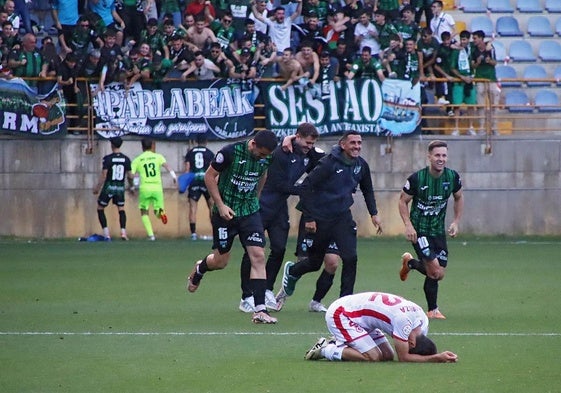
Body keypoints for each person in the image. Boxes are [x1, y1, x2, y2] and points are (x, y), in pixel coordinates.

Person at [276, 131, 383, 309]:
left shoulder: (361, 165)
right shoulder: (328, 163)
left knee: (350, 258)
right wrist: (309, 218)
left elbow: (368, 189)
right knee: (314, 263)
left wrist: (374, 213)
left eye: (359, 143)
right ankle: (292, 272)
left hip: (342, 218)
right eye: (353, 143)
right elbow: (306, 187)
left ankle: (345, 304)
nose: (357, 146)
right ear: (343, 145)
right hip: (319, 218)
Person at [186, 130, 279, 324]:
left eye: (266, 156)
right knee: (220, 261)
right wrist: (219, 205)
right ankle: (200, 268)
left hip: (250, 212)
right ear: (253, 144)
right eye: (261, 154)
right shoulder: (230, 152)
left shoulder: (266, 158)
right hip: (225, 213)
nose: (263, 158)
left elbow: (263, 174)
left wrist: (256, 197)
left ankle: (260, 309)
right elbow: (209, 177)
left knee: (258, 256)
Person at [238, 123, 323, 313]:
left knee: (279, 248)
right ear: (298, 136)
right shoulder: (280, 154)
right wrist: (304, 189)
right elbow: (278, 184)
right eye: (307, 142)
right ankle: (246, 296)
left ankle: (267, 288)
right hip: (260, 206)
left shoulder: (308, 153)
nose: (309, 146)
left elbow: (325, 160)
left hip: (279, 209)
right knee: (253, 252)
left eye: (312, 143)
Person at [398, 140, 464, 320]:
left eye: (443, 155)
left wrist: (456, 221)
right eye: (437, 155)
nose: (440, 159)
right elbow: (403, 201)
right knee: (434, 270)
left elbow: (458, 197)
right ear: (429, 157)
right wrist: (408, 225)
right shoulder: (417, 179)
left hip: (438, 231)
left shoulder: (452, 177)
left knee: (439, 273)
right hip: (420, 231)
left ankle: (411, 263)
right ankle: (432, 310)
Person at [304, 291, 459, 363]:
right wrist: (436, 358)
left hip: (363, 317)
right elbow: (404, 358)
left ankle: (344, 342)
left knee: (387, 356)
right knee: (373, 357)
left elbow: (399, 355)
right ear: (411, 343)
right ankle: (327, 349)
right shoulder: (403, 323)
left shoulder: (423, 323)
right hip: (342, 313)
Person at [131, 138, 178, 241]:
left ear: (142, 146)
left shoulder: (138, 160)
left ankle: (151, 235)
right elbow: (167, 167)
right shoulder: (158, 157)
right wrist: (174, 177)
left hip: (145, 188)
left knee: (144, 212)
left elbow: (132, 175)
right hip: (157, 188)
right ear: (152, 146)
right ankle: (160, 212)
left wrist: (133, 185)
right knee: (157, 210)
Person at [93, 137, 134, 241]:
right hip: (120, 188)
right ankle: (123, 233)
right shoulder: (126, 159)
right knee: (121, 209)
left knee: (100, 208)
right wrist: (131, 186)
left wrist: (97, 187)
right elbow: (130, 176)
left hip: (109, 187)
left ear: (112, 145)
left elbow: (104, 174)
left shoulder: (108, 159)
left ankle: (107, 234)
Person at [184, 134, 214, 240]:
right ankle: (215, 232)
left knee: (193, 208)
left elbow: (187, 170)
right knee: (212, 206)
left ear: (196, 142)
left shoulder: (190, 153)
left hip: (194, 182)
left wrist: (185, 184)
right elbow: (213, 169)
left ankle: (193, 234)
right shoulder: (210, 153)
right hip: (206, 181)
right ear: (206, 142)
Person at [470, 29, 499, 135]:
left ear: (481, 39)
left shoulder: (490, 48)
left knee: (494, 105)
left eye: (475, 38)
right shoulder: (473, 49)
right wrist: (477, 62)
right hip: (479, 79)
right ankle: (482, 128)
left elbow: (495, 62)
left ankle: (494, 128)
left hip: (491, 78)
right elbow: (472, 65)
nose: (473, 40)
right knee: (481, 105)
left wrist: (489, 61)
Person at [449, 30, 476, 136]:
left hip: (470, 81)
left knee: (471, 105)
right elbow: (452, 68)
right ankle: (456, 128)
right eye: (462, 39)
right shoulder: (456, 51)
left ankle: (470, 127)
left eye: (465, 39)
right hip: (458, 82)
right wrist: (461, 77)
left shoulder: (472, 49)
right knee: (457, 106)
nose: (463, 41)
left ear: (468, 39)